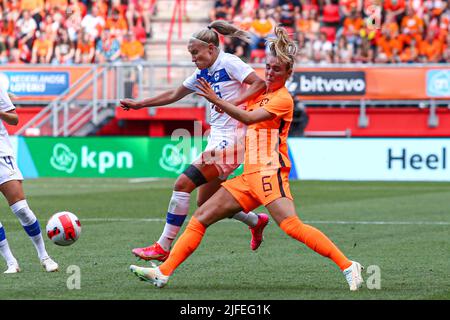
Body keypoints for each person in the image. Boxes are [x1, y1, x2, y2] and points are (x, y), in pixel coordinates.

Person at [130, 27, 364, 291]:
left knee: (291, 226)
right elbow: (244, 89)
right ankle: (163, 272)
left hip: (268, 171)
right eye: (268, 67)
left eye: (277, 69)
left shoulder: (283, 99)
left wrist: (216, 99)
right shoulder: (257, 92)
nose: (270, 72)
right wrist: (221, 29)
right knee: (201, 215)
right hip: (247, 173)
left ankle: (347, 264)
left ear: (288, 74)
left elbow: (249, 118)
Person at [120, 20, 268, 262]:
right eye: (191, 53)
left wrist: (231, 103)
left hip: (233, 142)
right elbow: (173, 94)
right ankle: (255, 220)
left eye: (195, 52)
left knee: (182, 184)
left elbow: (259, 83)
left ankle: (162, 246)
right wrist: (140, 104)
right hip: (217, 139)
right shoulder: (202, 72)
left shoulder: (229, 62)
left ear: (211, 48)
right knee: (206, 200)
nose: (192, 58)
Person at [0, 88, 58, 273]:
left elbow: (14, 119)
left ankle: (44, 256)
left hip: (1, 156)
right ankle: (11, 262)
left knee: (22, 209)